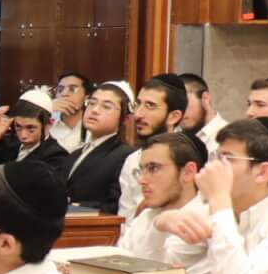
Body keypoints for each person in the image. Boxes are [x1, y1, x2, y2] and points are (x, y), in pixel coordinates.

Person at [149, 118, 268, 274]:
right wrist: (160, 226)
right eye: (215, 158)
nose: (212, 168)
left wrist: (220, 202)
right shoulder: (217, 207)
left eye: (227, 159)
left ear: (262, 172)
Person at [118, 130, 224, 274]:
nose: (142, 180)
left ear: (188, 172)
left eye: (153, 168)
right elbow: (119, 264)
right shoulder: (146, 215)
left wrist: (157, 228)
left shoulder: (206, 219)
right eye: (141, 170)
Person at [117, 74, 190, 218]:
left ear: (173, 116)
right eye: (138, 104)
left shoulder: (190, 156)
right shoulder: (132, 160)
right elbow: (124, 221)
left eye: (150, 106)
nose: (138, 114)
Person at [64, 81, 135, 215]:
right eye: (91, 103)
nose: (95, 110)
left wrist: (73, 207)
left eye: (106, 107)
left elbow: (115, 206)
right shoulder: (75, 154)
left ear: (125, 119)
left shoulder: (126, 155)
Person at [0, 90, 70, 170]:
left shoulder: (56, 156)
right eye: (18, 126)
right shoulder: (9, 145)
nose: (23, 135)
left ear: (49, 123)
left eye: (31, 128)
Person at [49, 70, 90, 151]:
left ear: (86, 97)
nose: (64, 94)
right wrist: (47, 109)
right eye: (60, 90)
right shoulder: (47, 122)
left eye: (73, 89)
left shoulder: (93, 127)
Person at [183, 71, 224, 149]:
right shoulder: (175, 135)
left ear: (205, 98)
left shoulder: (229, 136)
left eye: (184, 102)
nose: (180, 111)